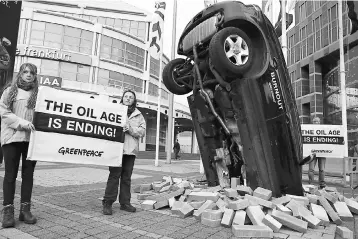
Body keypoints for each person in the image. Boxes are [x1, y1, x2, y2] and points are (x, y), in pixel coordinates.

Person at [0, 63, 38, 228]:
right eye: (25, 72)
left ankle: (25, 210)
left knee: (28, 175)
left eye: (32, 72)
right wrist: (22, 123)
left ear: (35, 76)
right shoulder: (10, 91)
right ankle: (8, 211)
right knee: (10, 175)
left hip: (31, 141)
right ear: (20, 74)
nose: (29, 75)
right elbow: (4, 112)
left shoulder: (39, 94)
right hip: (12, 138)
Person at [102, 89, 146, 215]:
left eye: (130, 97)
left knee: (126, 178)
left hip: (130, 151)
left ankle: (125, 203)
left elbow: (142, 132)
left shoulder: (139, 115)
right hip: (117, 149)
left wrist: (131, 130)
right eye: (126, 96)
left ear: (134, 100)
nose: (128, 98)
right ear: (122, 98)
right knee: (114, 176)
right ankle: (108, 202)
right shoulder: (115, 110)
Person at [308, 116, 326, 189]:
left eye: (318, 121)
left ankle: (321, 184)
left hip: (322, 152)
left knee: (322, 169)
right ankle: (311, 183)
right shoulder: (309, 130)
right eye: (315, 121)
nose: (316, 123)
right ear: (312, 122)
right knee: (311, 169)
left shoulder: (324, 130)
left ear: (320, 122)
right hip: (312, 153)